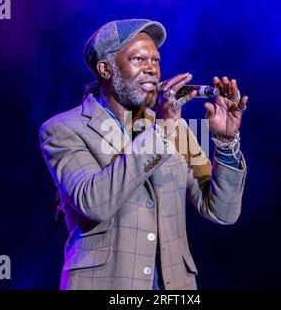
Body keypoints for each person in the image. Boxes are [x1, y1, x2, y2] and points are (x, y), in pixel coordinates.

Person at [39, 19, 249, 290]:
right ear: (105, 69)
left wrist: (226, 142)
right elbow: (95, 202)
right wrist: (162, 132)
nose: (152, 70)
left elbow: (223, 211)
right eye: (138, 59)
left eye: (156, 61)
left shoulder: (175, 128)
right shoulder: (63, 129)